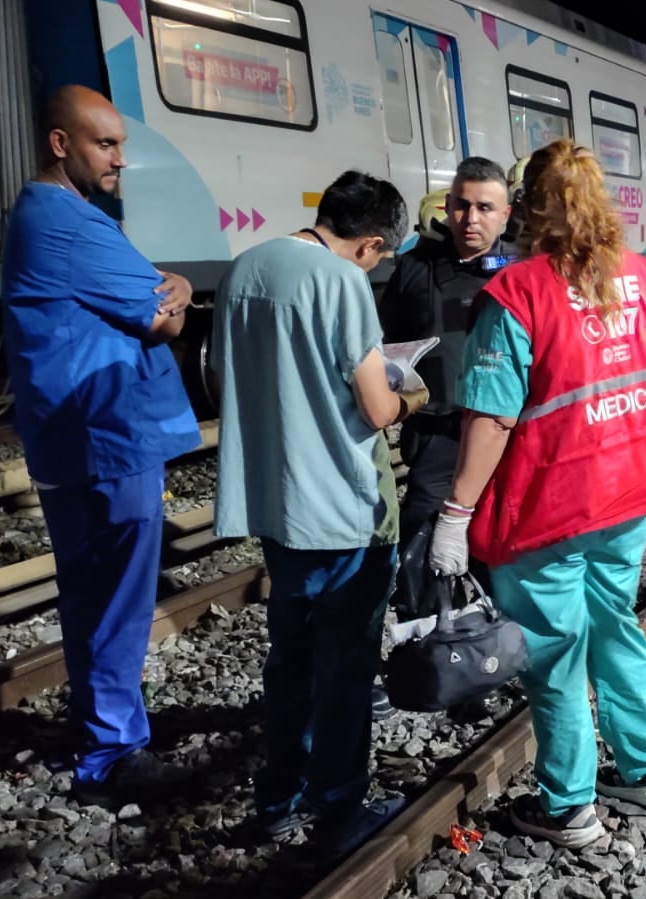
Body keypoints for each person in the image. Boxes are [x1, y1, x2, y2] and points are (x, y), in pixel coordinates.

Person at [426, 140, 646, 849]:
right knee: (614, 627)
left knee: (554, 653)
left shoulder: (517, 293)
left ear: (527, 209)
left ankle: (569, 804)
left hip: (549, 502)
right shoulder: (641, 275)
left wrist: (455, 514)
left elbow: (492, 418)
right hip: (627, 488)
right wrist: (618, 399)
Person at [0, 85, 202, 807]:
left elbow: (157, 291)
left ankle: (99, 733)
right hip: (107, 436)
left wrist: (173, 283)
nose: (121, 159)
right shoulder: (72, 222)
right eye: (106, 144)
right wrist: (177, 289)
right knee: (118, 598)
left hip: (70, 436)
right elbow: (163, 318)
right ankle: (112, 752)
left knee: (89, 593)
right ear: (61, 144)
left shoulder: (36, 214)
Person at [211, 171, 425, 843]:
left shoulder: (244, 269)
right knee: (345, 668)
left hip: (276, 505)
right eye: (380, 257)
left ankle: (277, 802)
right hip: (345, 507)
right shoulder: (341, 282)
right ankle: (337, 809)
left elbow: (223, 377)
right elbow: (376, 407)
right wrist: (412, 395)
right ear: (370, 243)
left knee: (291, 660)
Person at [380, 157, 516, 546]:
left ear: (505, 214)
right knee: (423, 546)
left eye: (485, 207)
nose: (470, 218)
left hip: (510, 436)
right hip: (438, 438)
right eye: (461, 205)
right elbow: (388, 342)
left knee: (502, 546)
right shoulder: (414, 269)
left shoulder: (523, 270)